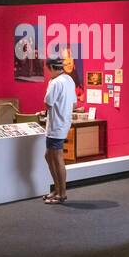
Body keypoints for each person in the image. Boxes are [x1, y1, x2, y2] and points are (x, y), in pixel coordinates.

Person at [40, 56, 75, 204]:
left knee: (57, 158)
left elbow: (48, 103)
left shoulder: (55, 82)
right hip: (63, 122)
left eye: (48, 70)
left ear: (52, 68)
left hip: (56, 125)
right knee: (49, 156)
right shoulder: (69, 80)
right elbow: (73, 103)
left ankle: (61, 194)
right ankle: (57, 189)